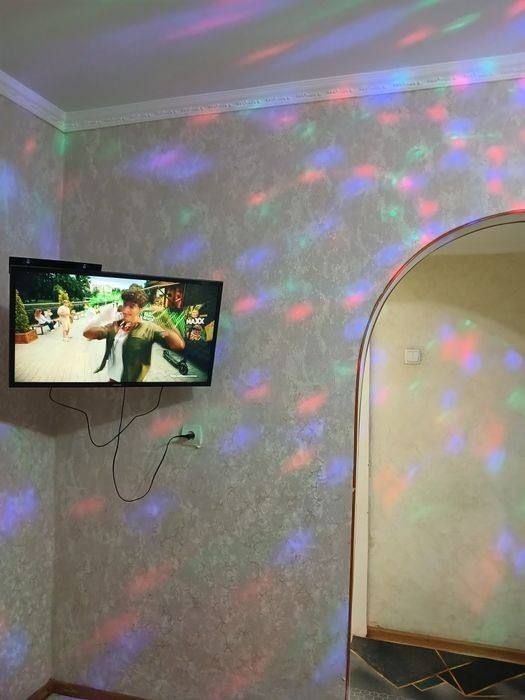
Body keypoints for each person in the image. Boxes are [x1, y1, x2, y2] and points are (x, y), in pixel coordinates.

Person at [83, 287, 185, 383]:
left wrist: (165, 320)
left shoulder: (149, 328)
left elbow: (178, 345)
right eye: (125, 305)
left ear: (140, 309)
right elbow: (87, 333)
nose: (125, 310)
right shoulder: (116, 325)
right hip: (113, 381)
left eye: (131, 306)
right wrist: (101, 317)